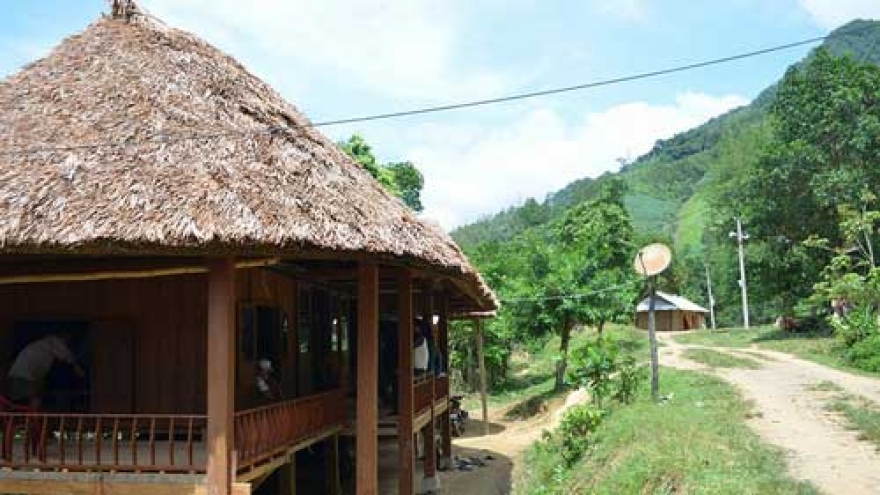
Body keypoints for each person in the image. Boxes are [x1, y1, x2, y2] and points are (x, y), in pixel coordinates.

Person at [6, 332, 85, 411]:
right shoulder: (52, 341)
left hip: (21, 376)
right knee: (33, 399)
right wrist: (77, 368)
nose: (67, 344)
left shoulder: (42, 347)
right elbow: (66, 355)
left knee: (27, 400)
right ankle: (32, 420)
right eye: (67, 341)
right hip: (22, 376)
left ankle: (29, 419)